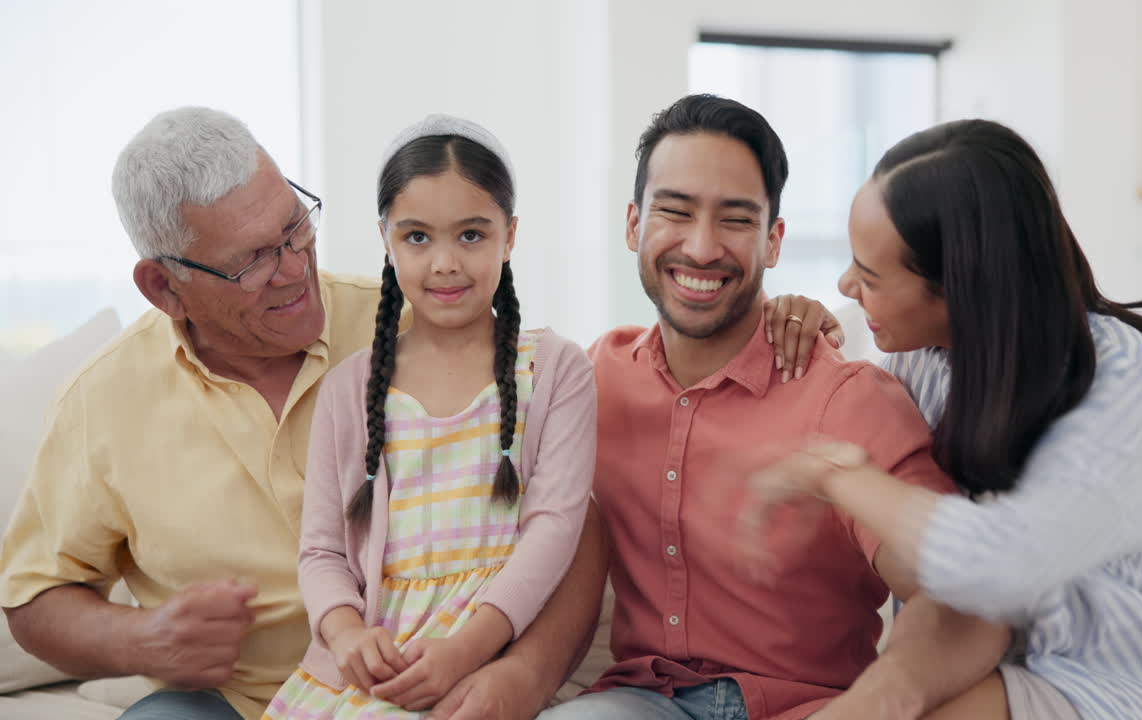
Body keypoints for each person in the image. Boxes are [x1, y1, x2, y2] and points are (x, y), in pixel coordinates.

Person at [0, 107, 608, 720]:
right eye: (252, 261)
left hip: (440, 667)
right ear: (164, 287)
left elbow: (569, 521)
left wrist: (523, 676)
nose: (295, 269)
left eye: (296, 226)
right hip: (234, 699)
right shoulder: (101, 401)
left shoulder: (425, 316)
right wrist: (142, 639)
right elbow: (31, 598)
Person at [741, 118, 1142, 719]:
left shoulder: (1116, 371)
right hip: (973, 667)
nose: (845, 286)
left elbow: (1005, 567)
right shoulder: (922, 363)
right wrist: (796, 316)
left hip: (1124, 690)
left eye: (869, 276)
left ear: (960, 287)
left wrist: (840, 477)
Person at [542, 95, 1007, 720]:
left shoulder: (848, 399)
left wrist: (878, 704)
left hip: (806, 707)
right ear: (633, 225)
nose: (702, 248)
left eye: (735, 220)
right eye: (675, 212)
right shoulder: (594, 377)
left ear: (774, 239)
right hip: (638, 701)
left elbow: (954, 598)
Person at [262, 114, 597, 718]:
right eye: (418, 237)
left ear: (510, 235)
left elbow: (555, 531)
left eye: (472, 235)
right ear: (386, 238)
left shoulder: (556, 371)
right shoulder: (349, 390)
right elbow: (321, 553)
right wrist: (346, 637)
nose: (444, 263)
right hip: (374, 671)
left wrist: (466, 651)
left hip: (488, 657)